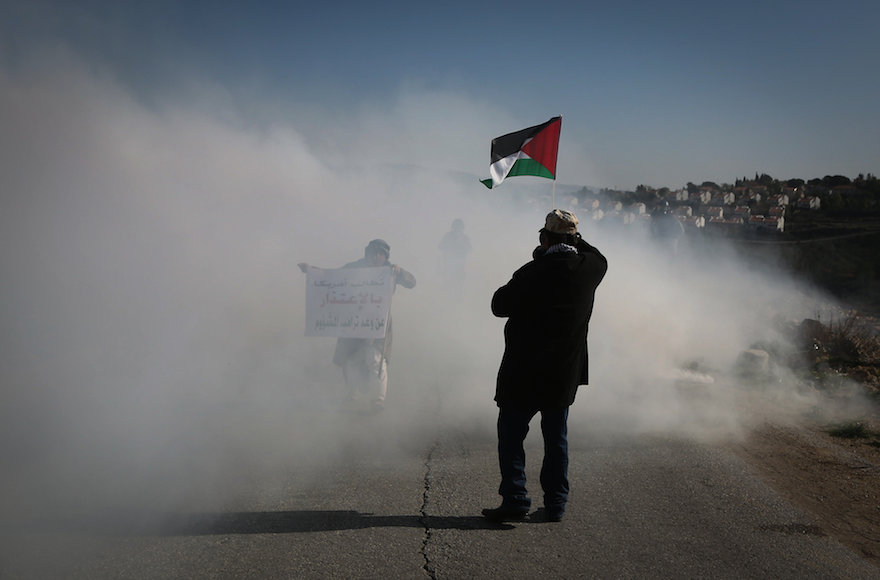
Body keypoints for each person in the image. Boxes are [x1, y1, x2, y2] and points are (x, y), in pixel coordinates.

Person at [482, 210, 607, 522]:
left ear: (545, 239)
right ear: (575, 239)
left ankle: (515, 498)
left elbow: (499, 304)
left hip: (523, 373)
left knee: (511, 435)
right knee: (556, 438)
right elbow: (594, 252)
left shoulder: (533, 272)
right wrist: (570, 237)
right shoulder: (591, 268)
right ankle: (556, 503)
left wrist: (540, 257)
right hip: (563, 374)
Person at [298, 239, 416, 412]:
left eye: (380, 254)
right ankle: (353, 393)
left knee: (376, 360)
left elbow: (412, 282)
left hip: (377, 325)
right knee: (350, 359)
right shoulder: (354, 268)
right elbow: (331, 276)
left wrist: (400, 272)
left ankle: (377, 400)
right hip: (352, 322)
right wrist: (311, 270)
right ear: (367, 254)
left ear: (385, 257)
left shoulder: (390, 271)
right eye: (373, 253)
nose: (376, 257)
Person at [437, 218, 472, 300]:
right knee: (447, 287)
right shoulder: (448, 236)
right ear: (453, 227)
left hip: (460, 267)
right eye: (456, 227)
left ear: (462, 228)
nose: (457, 229)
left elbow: (469, 250)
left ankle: (456, 302)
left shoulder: (464, 238)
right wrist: (448, 242)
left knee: (459, 287)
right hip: (448, 266)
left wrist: (461, 241)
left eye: (459, 227)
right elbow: (440, 247)